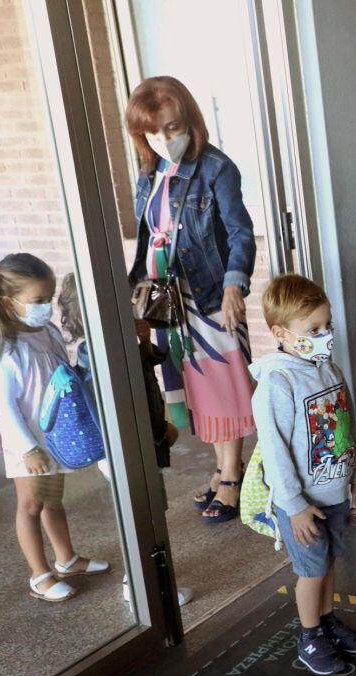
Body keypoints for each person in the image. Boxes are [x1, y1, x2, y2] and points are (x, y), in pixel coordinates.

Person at [125, 76, 256, 524]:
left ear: (190, 122)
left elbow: (240, 232)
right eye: (153, 132)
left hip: (210, 293)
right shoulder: (149, 172)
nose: (164, 140)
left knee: (225, 384)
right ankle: (222, 469)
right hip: (170, 300)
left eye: (172, 128)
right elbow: (149, 236)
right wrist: (139, 282)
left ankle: (234, 476)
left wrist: (235, 284)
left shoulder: (217, 168)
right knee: (197, 386)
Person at [250, 274, 356, 676]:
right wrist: (294, 505)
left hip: (335, 487)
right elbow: (275, 451)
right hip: (301, 502)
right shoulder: (277, 381)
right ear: (280, 333)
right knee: (311, 569)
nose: (325, 335)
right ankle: (309, 635)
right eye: (313, 329)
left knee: (329, 561)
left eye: (327, 326)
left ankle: (326, 620)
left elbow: (348, 425)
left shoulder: (328, 368)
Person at [0, 254, 110, 603]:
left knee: (52, 501)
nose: (45, 307)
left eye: (48, 299)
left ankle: (67, 559)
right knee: (31, 505)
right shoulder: (5, 349)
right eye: (37, 301)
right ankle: (40, 574)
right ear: (8, 301)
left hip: (53, 436)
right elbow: (5, 406)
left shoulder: (46, 331)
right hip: (28, 444)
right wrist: (27, 448)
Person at [56, 276, 192, 607]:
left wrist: (144, 342)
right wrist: (157, 432)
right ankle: (142, 586)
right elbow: (127, 404)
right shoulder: (102, 354)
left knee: (148, 510)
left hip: (138, 443)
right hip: (128, 449)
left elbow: (144, 384)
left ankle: (147, 582)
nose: (133, 304)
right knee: (143, 514)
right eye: (125, 300)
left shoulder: (112, 344)